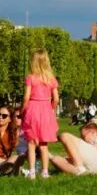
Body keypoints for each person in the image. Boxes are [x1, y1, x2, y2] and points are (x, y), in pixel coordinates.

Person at [22, 49, 60, 179]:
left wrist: (22, 110)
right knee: (44, 145)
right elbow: (56, 99)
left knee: (31, 143)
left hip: (32, 108)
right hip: (46, 109)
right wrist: (51, 109)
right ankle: (45, 172)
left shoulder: (30, 78)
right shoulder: (51, 79)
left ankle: (32, 171)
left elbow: (26, 97)